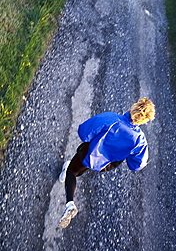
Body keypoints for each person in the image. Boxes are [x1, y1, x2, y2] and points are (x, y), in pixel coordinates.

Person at [58, 97, 155, 228]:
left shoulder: (112, 118)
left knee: (72, 171)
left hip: (90, 152)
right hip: (106, 164)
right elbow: (136, 165)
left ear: (134, 106)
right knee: (83, 167)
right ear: (144, 120)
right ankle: (73, 172)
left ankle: (70, 204)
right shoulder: (139, 140)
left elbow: (84, 132)